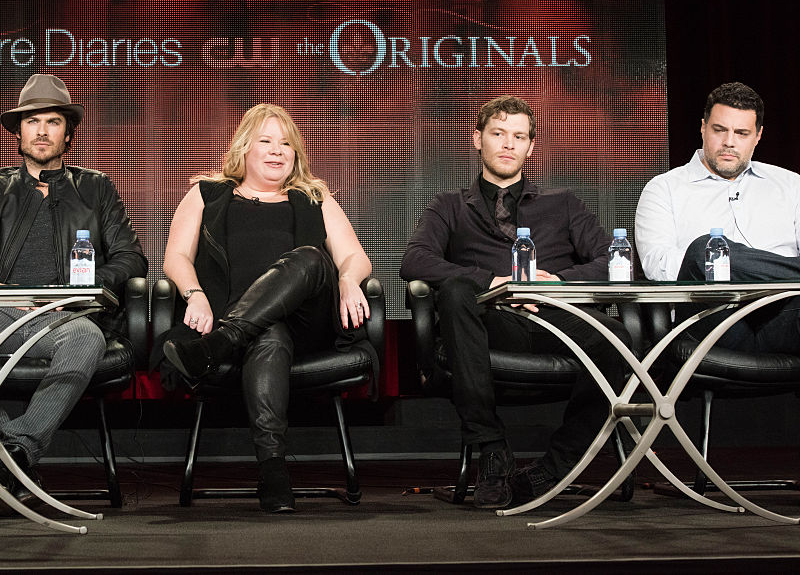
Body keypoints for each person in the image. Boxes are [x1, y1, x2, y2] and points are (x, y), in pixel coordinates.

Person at [0, 74, 147, 516]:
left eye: (53, 122)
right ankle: (8, 460)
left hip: (64, 317)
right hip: (0, 314)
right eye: (32, 121)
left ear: (69, 134)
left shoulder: (96, 187)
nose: (42, 131)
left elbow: (131, 258)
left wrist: (76, 290)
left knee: (86, 337)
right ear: (18, 132)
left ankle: (8, 457)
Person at [399, 95, 628, 509]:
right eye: (498, 133)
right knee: (455, 291)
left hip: (555, 319)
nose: (508, 144)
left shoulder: (563, 202)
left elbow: (614, 262)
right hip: (491, 323)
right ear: (477, 139)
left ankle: (553, 468)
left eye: (519, 137)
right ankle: (492, 450)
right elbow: (415, 260)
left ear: (531, 147)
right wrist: (493, 282)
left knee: (618, 338)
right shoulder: (449, 205)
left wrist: (557, 281)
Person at [160, 103, 374, 513]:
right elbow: (176, 257)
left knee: (311, 257)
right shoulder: (207, 193)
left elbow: (354, 257)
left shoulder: (314, 197)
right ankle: (273, 470)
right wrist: (195, 293)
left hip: (305, 324)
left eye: (286, 144)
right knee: (268, 333)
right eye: (266, 141)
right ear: (244, 147)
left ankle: (220, 344)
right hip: (238, 319)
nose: (277, 151)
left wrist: (348, 280)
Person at [635, 81, 800, 350]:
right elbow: (659, 267)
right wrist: (739, 269)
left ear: (758, 136)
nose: (729, 142)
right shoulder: (664, 188)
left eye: (742, 133)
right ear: (703, 127)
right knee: (705, 251)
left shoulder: (791, 185)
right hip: (708, 317)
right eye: (719, 130)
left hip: (782, 315)